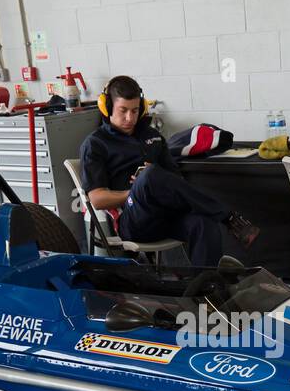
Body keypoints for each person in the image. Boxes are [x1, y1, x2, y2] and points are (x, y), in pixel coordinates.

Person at [79, 75, 257, 266]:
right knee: (149, 175)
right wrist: (138, 189)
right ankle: (229, 218)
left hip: (165, 215)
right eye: (123, 111)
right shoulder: (95, 144)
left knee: (204, 224)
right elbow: (97, 199)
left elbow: (175, 179)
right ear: (107, 107)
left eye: (135, 110)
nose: (130, 118)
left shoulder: (153, 136)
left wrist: (155, 183)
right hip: (132, 221)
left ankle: (204, 288)